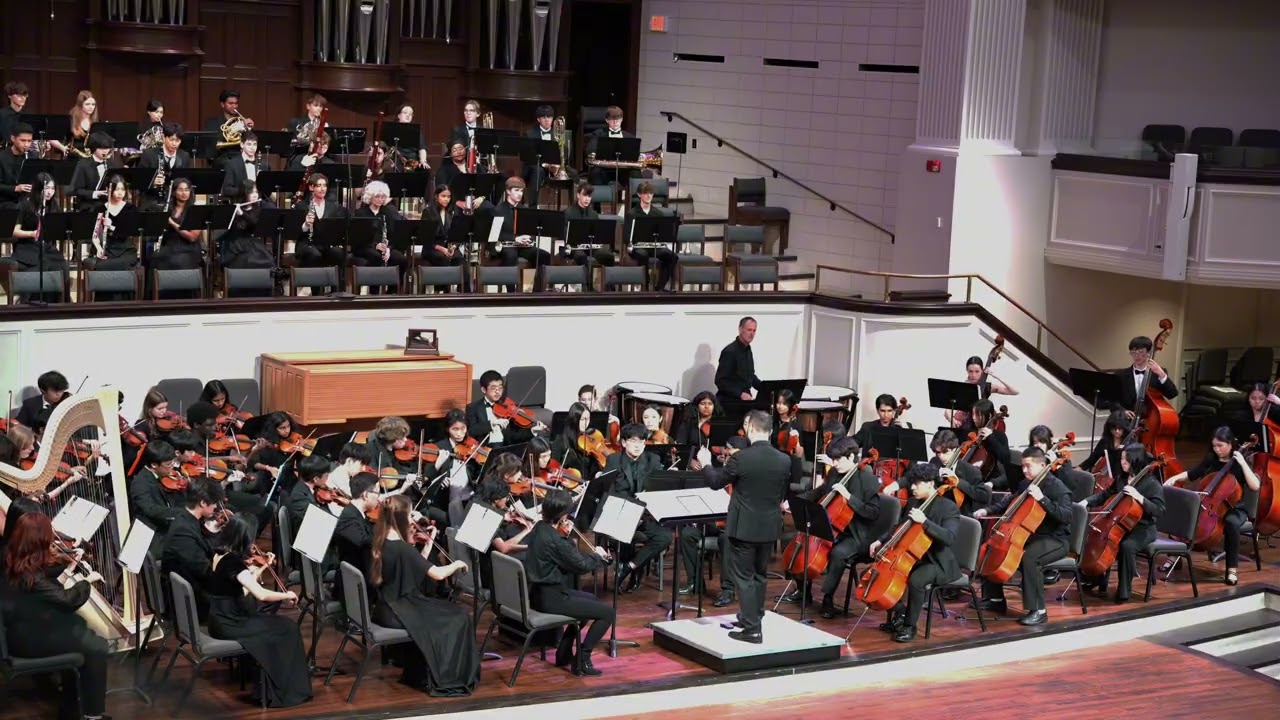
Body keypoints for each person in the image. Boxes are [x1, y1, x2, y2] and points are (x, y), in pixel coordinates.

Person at [1, 513, 111, 720]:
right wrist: (87, 580)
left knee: (80, 629)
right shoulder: (30, 575)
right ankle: (92, 715)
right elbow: (68, 600)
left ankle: (71, 706)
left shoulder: (11, 556)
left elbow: (46, 585)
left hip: (21, 628)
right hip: (29, 640)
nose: (52, 541)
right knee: (98, 647)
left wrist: (68, 566)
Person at [694, 410, 790, 642]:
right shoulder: (784, 459)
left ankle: (752, 629)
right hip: (769, 527)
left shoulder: (741, 458)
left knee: (744, 577)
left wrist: (706, 463)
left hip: (744, 527)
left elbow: (716, 482)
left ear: (750, 428)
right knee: (759, 574)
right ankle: (753, 616)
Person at [368, 495, 478, 695]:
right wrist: (457, 564)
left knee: (447, 613)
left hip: (385, 608)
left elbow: (414, 567)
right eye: (410, 515)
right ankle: (448, 674)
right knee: (458, 617)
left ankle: (419, 672)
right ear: (401, 518)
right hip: (400, 611)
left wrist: (429, 543)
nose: (412, 520)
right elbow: (437, 573)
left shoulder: (382, 540)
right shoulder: (402, 548)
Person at [207, 514, 312, 707]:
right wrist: (287, 595)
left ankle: (272, 683)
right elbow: (261, 595)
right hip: (231, 622)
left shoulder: (220, 555)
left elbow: (242, 588)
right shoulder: (234, 563)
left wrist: (262, 568)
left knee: (281, 626)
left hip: (220, 618)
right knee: (288, 628)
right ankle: (284, 690)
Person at [973, 447, 1073, 625]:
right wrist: (987, 509)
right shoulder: (1027, 484)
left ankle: (1039, 610)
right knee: (996, 546)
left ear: (1043, 465)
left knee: (1030, 558)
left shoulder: (1057, 488)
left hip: (1055, 539)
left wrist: (1043, 499)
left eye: (1028, 466)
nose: (1025, 470)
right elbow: (1010, 501)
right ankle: (995, 599)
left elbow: (1066, 516)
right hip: (1032, 535)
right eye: (1023, 467)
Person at [522, 488, 613, 675]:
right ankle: (583, 658)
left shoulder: (540, 527)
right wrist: (598, 555)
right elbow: (581, 565)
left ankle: (564, 652)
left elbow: (561, 553)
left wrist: (564, 534)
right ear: (563, 515)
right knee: (608, 613)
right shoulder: (556, 540)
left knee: (591, 602)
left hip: (538, 593)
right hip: (552, 599)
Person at [793, 436, 882, 619]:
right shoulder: (835, 472)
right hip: (832, 524)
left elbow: (872, 513)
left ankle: (828, 599)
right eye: (832, 459)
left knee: (838, 554)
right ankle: (804, 592)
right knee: (799, 541)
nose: (834, 464)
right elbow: (821, 491)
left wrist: (849, 497)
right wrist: (797, 500)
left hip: (856, 533)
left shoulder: (867, 477)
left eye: (838, 460)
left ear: (851, 457)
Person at [871, 463, 962, 643]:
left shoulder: (948, 507)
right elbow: (900, 527)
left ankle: (909, 626)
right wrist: (881, 540)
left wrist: (925, 522)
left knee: (916, 580)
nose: (912, 487)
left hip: (936, 561)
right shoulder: (914, 502)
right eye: (911, 483)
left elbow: (949, 538)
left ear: (930, 483)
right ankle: (899, 612)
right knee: (883, 574)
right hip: (911, 556)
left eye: (917, 483)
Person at [1164, 426, 1261, 586]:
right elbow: (1193, 473)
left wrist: (1243, 462)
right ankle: (1174, 556)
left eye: (1220, 446)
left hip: (1236, 507)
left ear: (1231, 444)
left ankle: (1231, 570)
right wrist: (1174, 478)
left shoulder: (1240, 462)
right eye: (1214, 446)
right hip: (1212, 505)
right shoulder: (1211, 459)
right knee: (1184, 511)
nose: (1217, 449)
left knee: (1231, 522)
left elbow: (1255, 485)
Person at [1080, 443, 1165, 602]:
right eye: (1121, 459)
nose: (1122, 463)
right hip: (1120, 524)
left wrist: (1139, 497)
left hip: (1143, 528)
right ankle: (1096, 578)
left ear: (1136, 461)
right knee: (1099, 539)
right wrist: (1086, 502)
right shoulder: (1122, 479)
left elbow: (1159, 510)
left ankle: (1124, 589)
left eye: (1126, 460)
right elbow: (1105, 495)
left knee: (1127, 546)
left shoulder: (1151, 484)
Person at [604, 423, 673, 592]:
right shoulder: (614, 460)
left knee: (664, 537)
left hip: (644, 515)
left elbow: (657, 491)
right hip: (622, 515)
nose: (638, 445)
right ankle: (632, 569)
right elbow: (610, 493)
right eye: (634, 441)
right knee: (625, 535)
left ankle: (631, 567)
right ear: (624, 442)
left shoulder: (653, 460)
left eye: (642, 441)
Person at [677, 434, 745, 605]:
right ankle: (695, 582)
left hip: (734, 529)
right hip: (713, 523)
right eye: (726, 455)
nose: (728, 459)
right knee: (687, 534)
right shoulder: (715, 474)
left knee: (725, 539)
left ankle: (728, 590)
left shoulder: (745, 478)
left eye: (733, 456)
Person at [882, 429, 991, 518]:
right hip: (933, 512)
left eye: (945, 452)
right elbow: (914, 474)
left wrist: (958, 482)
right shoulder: (935, 462)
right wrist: (894, 485)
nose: (942, 457)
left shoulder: (970, 470)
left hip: (958, 516)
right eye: (938, 452)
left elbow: (983, 495)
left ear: (955, 450)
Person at [162, 476, 225, 621]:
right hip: (188, 602)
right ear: (202, 502)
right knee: (240, 598)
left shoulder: (188, 520)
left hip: (194, 588)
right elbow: (205, 571)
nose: (216, 507)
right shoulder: (182, 532)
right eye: (214, 503)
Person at [4, 172, 67, 300]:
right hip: (27, 246)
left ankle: (59, 303)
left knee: (62, 264)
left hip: (46, 247)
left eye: (52, 189)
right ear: (38, 189)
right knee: (41, 266)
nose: (50, 192)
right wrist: (32, 234)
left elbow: (61, 226)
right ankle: (30, 301)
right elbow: (14, 231)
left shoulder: (53, 205)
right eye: (46, 188)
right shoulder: (25, 204)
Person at [489, 176, 552, 291]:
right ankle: (511, 292)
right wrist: (515, 239)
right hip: (505, 245)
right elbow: (495, 234)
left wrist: (529, 238)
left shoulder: (524, 209)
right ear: (508, 191)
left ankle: (537, 291)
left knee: (543, 255)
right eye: (516, 190)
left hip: (522, 246)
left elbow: (531, 230)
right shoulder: (498, 210)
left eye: (521, 191)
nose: (520, 194)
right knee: (511, 255)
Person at [127, 440, 184, 553]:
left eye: (173, 462)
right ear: (154, 464)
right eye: (168, 464)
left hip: (167, 528)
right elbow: (151, 510)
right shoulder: (140, 483)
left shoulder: (163, 475)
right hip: (153, 536)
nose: (172, 467)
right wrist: (181, 513)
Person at [292, 172, 349, 287]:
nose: (323, 189)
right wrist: (306, 224)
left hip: (325, 244)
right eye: (319, 186)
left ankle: (337, 290)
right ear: (311, 187)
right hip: (307, 244)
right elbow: (294, 231)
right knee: (315, 255)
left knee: (339, 253)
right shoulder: (301, 206)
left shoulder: (333, 206)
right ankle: (316, 293)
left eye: (325, 186)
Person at [353, 180, 411, 288]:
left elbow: (395, 234)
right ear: (370, 196)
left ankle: (393, 290)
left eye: (383, 197)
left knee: (401, 259)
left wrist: (389, 248)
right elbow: (358, 238)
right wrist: (375, 245)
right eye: (377, 196)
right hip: (365, 246)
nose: (380, 200)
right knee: (375, 256)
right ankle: (374, 291)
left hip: (384, 247)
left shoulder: (388, 212)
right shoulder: (361, 213)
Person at [333, 471, 380, 603]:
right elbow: (364, 541)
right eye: (377, 493)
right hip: (354, 586)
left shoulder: (357, 514)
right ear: (365, 495)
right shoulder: (349, 517)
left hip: (361, 574)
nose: (379, 498)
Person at [465, 370, 541, 448]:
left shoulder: (508, 406)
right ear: (484, 390)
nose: (498, 392)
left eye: (500, 388)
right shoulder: (473, 408)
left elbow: (515, 436)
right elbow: (472, 431)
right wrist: (491, 423)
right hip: (485, 450)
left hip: (506, 448)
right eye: (493, 388)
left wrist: (533, 430)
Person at [82, 174, 139, 277]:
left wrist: (111, 226)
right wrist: (98, 248)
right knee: (103, 265)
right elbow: (95, 233)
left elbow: (128, 231)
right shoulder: (100, 208)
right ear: (109, 189)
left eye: (123, 189)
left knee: (125, 264)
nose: (120, 193)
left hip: (125, 249)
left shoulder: (130, 209)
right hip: (106, 247)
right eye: (117, 189)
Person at [625, 181, 678, 291]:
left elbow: (662, 234)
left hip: (654, 245)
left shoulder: (658, 213)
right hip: (639, 247)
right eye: (645, 193)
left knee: (672, 256)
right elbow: (627, 236)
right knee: (643, 254)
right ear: (639, 195)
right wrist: (631, 244)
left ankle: (660, 287)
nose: (649, 196)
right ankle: (646, 284)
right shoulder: (632, 213)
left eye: (651, 193)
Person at [1112, 335, 1178, 418]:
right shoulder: (1121, 375)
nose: (1137, 355)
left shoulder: (1158, 373)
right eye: (1133, 352)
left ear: (1149, 352)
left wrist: (1161, 374)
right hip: (1127, 423)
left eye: (1141, 352)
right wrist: (1122, 411)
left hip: (1151, 421)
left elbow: (1172, 394)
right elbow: (1112, 401)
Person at [420, 183, 469, 292]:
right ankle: (443, 292)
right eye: (443, 196)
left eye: (448, 197)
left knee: (461, 261)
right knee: (443, 258)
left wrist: (454, 246)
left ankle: (465, 294)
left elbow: (457, 234)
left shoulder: (452, 212)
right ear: (436, 197)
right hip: (432, 248)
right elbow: (425, 237)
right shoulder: (428, 212)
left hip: (449, 247)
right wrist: (442, 249)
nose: (446, 199)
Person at [948, 353, 1020, 427]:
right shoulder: (962, 387)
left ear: (982, 370)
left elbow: (1015, 391)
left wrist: (996, 376)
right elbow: (947, 411)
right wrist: (953, 421)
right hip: (964, 426)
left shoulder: (987, 387)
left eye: (977, 371)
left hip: (981, 426)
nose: (973, 375)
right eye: (970, 371)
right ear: (967, 370)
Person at [562, 181, 616, 276]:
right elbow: (565, 235)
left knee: (608, 256)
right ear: (578, 195)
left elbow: (597, 234)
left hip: (590, 246)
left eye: (589, 196)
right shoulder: (568, 212)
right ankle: (587, 287)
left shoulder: (593, 214)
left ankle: (609, 288)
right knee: (581, 256)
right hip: (575, 247)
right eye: (585, 195)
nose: (587, 199)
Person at [220, 180, 275, 274]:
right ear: (244, 193)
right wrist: (233, 213)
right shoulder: (234, 208)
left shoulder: (258, 209)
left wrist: (242, 214)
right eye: (251, 192)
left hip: (253, 244)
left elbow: (255, 225)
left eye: (256, 192)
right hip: (235, 245)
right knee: (242, 262)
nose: (255, 195)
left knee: (267, 262)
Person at [137, 122, 192, 210]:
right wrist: (153, 182)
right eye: (171, 139)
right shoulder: (149, 154)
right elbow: (139, 181)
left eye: (177, 141)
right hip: (152, 199)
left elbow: (187, 181)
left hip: (175, 200)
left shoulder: (184, 156)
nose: (174, 143)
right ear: (163, 137)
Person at [961, 399, 1010, 488]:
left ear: (989, 415)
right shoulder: (970, 434)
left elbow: (1005, 459)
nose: (974, 418)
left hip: (989, 480)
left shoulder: (999, 436)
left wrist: (991, 438)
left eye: (978, 415)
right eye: (973, 414)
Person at [68, 132, 120, 211]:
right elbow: (75, 190)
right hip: (89, 205)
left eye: (107, 148)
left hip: (108, 203)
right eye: (102, 148)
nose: (105, 151)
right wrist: (95, 194)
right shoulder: (83, 164)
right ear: (94, 148)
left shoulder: (111, 164)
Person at [715, 317, 761, 405]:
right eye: (749, 330)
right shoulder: (730, 351)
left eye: (754, 331)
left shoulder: (748, 350)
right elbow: (720, 380)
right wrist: (740, 393)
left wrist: (766, 388)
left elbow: (750, 376)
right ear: (740, 329)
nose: (752, 334)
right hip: (729, 403)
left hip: (743, 402)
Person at [585, 105, 635, 186]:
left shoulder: (630, 137)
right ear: (607, 120)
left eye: (617, 119)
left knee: (635, 172)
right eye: (612, 119)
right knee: (595, 172)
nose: (615, 122)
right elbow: (589, 150)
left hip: (623, 170)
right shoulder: (598, 134)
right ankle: (599, 197)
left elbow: (634, 155)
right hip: (604, 169)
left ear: (622, 119)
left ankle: (636, 197)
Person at [204, 89, 254, 167]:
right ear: (222, 104)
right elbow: (212, 144)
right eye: (230, 103)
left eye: (236, 103)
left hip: (239, 156)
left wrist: (249, 129)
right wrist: (234, 129)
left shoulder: (242, 122)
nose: (234, 106)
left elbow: (250, 142)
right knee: (230, 164)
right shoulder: (212, 123)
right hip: (220, 157)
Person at [1080, 411, 1130, 481]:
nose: (1117, 431)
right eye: (1114, 428)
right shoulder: (1104, 442)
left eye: (1120, 428)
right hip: (1105, 478)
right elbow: (1093, 458)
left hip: (1123, 478)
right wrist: (1079, 468)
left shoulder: (1129, 443)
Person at [0, 122, 34, 207]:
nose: (26, 145)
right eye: (23, 140)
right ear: (13, 138)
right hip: (5, 201)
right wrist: (15, 188)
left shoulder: (32, 156)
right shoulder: (2, 157)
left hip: (26, 201)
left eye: (29, 141)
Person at [286, 94, 329, 159]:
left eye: (321, 106)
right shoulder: (295, 122)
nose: (318, 108)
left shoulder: (325, 124)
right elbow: (289, 144)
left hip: (319, 157)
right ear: (308, 106)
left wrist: (326, 129)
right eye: (316, 105)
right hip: (299, 156)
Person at [219, 131, 261, 198]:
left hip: (259, 202)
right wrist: (245, 192)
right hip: (240, 201)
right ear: (242, 145)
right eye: (249, 144)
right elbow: (226, 190)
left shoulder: (263, 165)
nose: (252, 148)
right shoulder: (231, 164)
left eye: (254, 144)